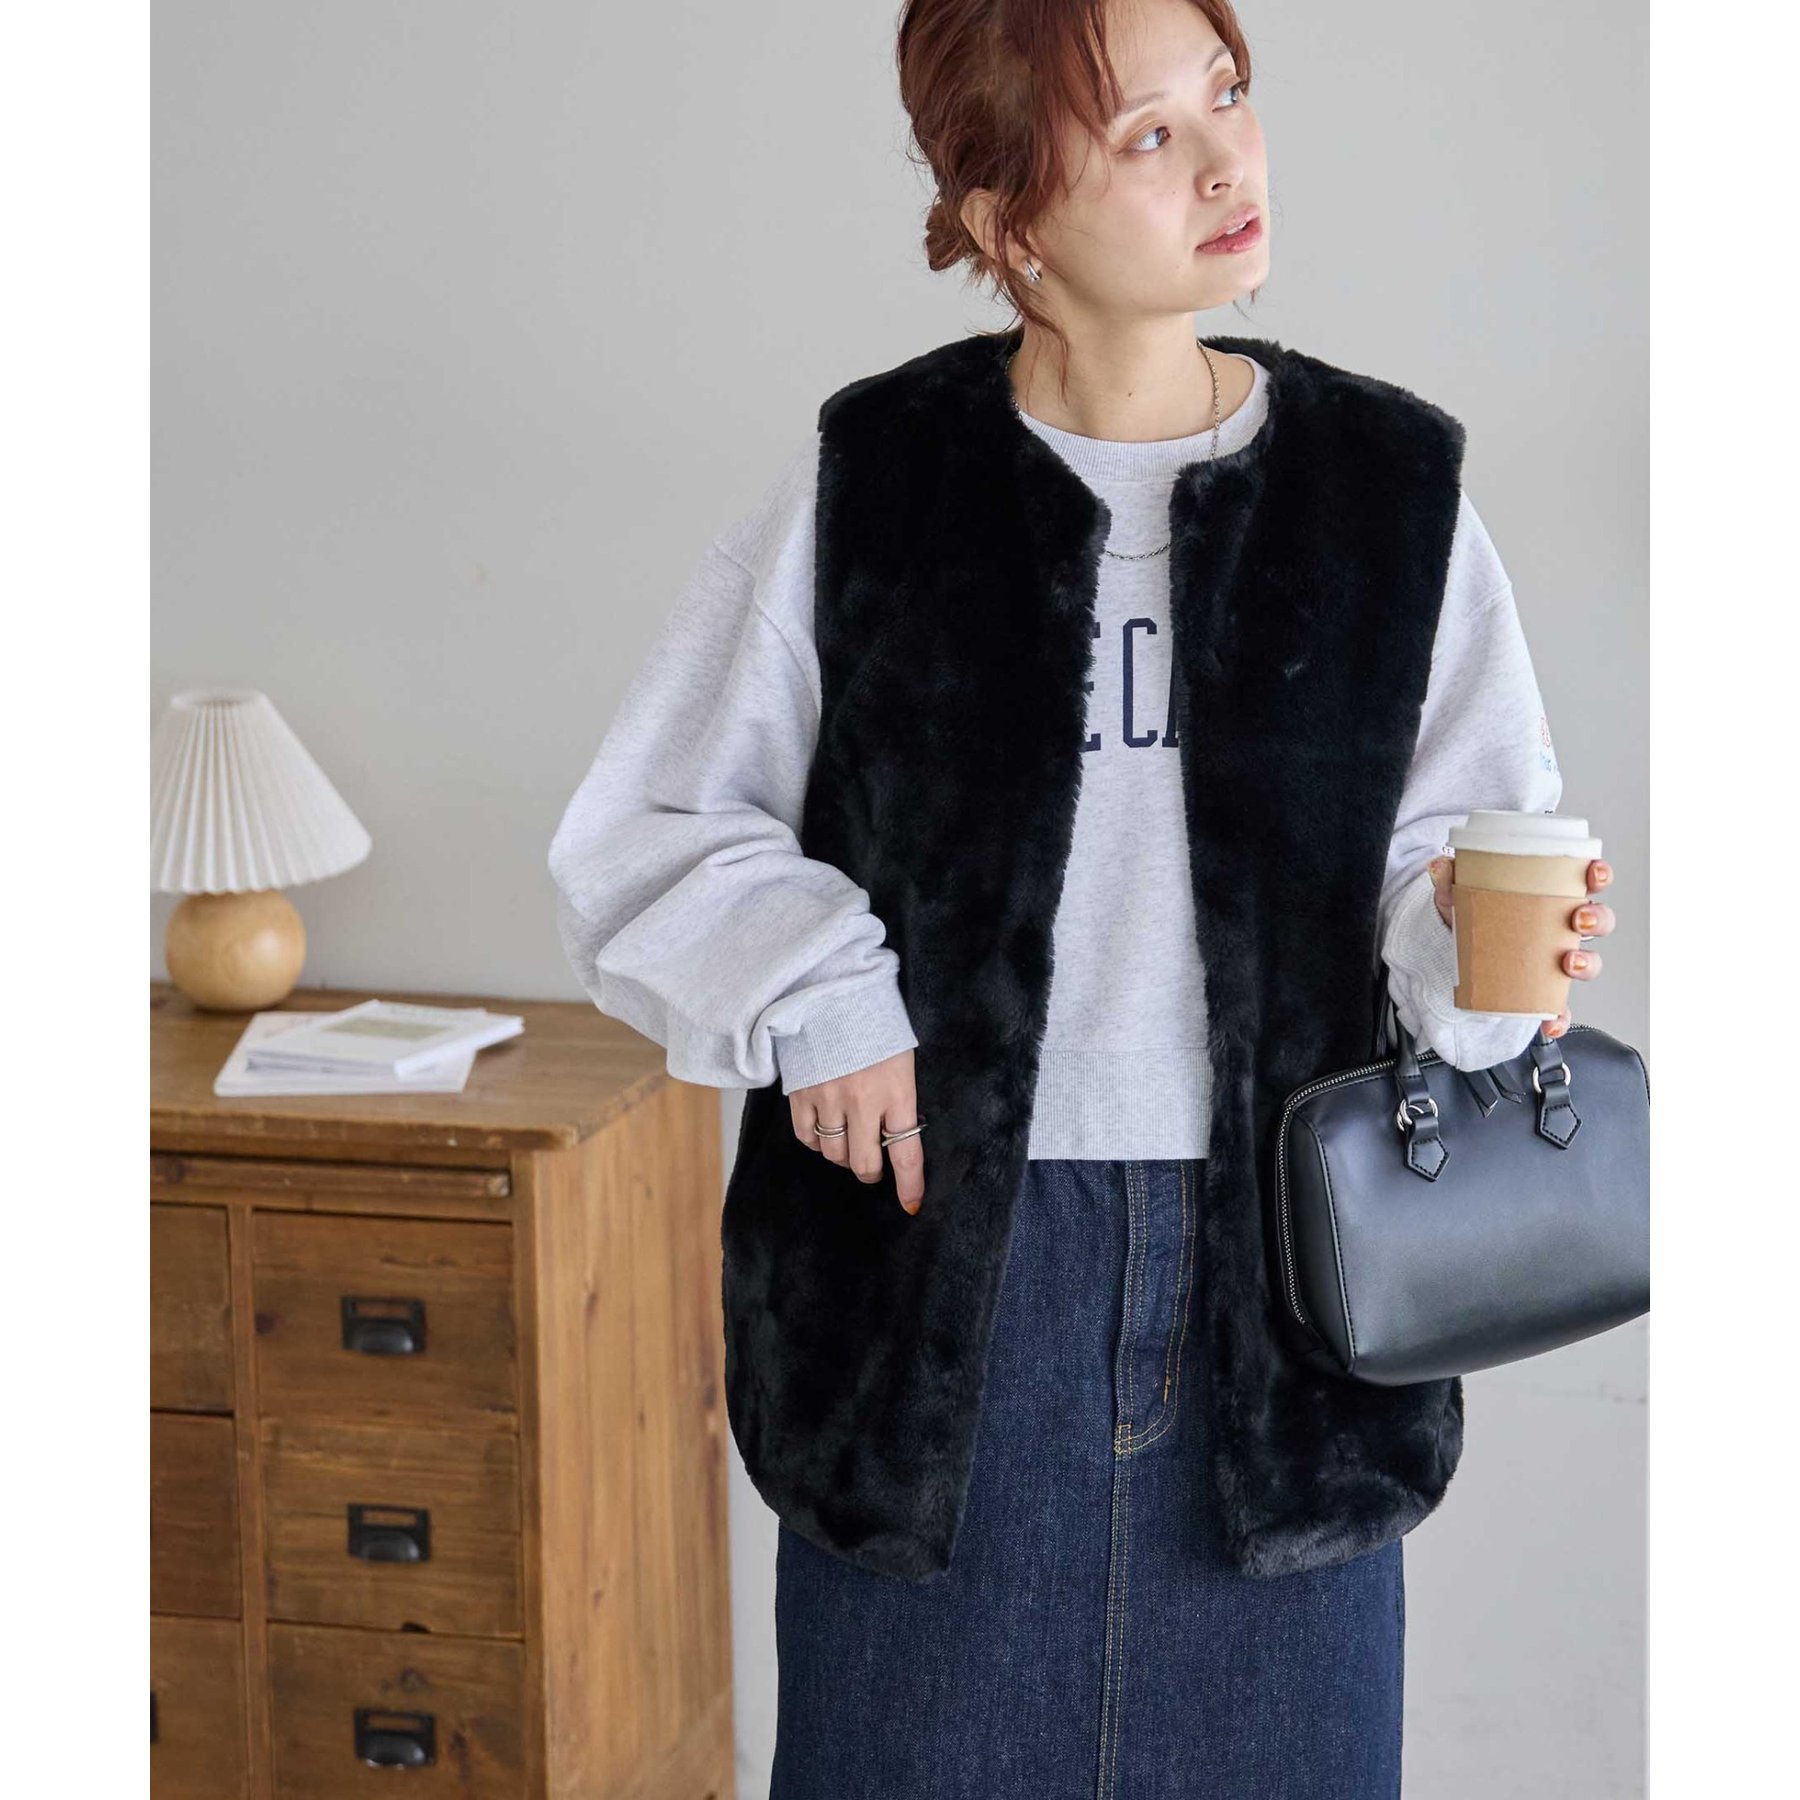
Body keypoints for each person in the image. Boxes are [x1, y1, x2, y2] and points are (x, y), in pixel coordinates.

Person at [548, 0, 1619, 1792]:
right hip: (945, 1301)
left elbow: (1453, 868)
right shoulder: (877, 480)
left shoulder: (1387, 491)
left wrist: (1490, 956)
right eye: (1145, 133)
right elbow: (649, 826)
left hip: (1287, 1301)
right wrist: (825, 992)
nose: (1225, 157)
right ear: (1006, 221)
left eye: (1229, 93)